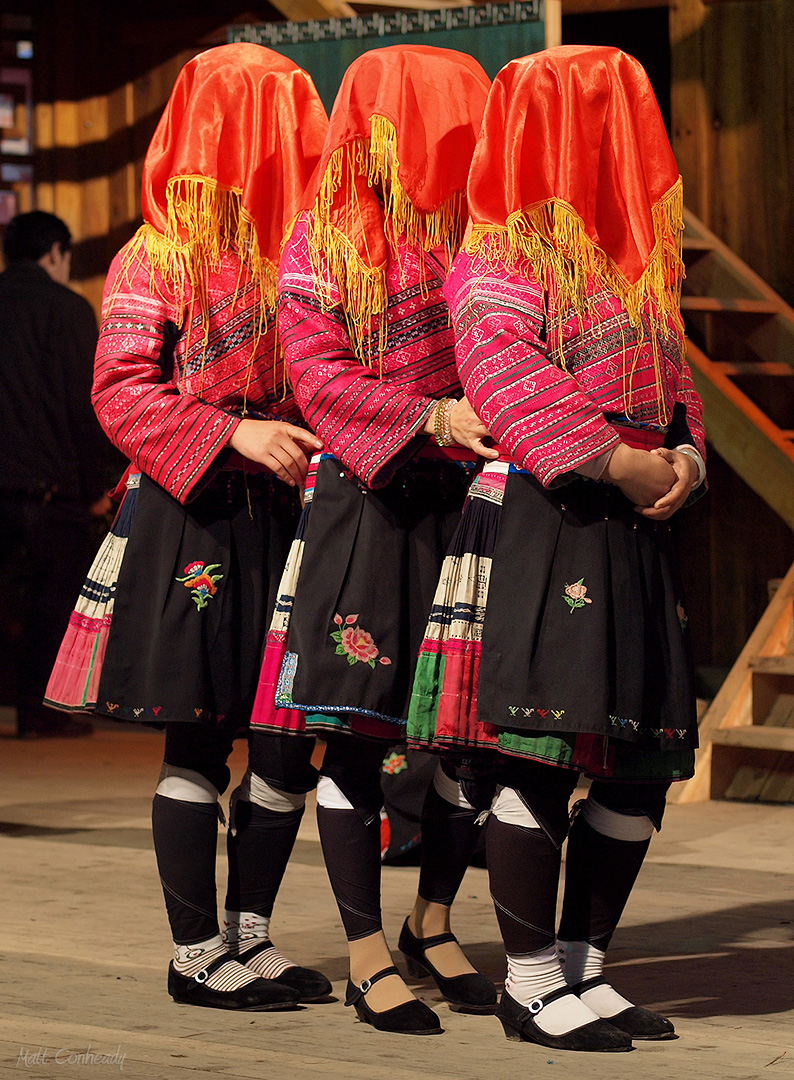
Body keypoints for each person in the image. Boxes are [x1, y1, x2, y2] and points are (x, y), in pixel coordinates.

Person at [406, 46, 707, 1053]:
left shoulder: (636, 254)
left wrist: (687, 462)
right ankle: (529, 981)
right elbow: (500, 372)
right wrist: (615, 462)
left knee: (637, 765)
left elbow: (679, 386)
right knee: (534, 751)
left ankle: (583, 964)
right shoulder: (497, 249)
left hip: (630, 520)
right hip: (549, 508)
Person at [249, 45, 499, 1035]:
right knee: (355, 730)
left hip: (475, 502)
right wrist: (434, 419)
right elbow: (315, 379)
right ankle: (362, 948)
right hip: (373, 496)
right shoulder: (324, 239)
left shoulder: (488, 233)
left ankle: (432, 922)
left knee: (470, 736)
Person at [83, 44, 332, 1011]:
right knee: (196, 740)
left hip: (294, 517)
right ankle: (196, 954)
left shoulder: (311, 248)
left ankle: (252, 939)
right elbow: (118, 395)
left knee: (283, 742)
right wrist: (235, 431)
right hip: (197, 518)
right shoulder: (156, 254)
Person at [0, 210, 113, 739]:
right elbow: (83, 404)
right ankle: (39, 711)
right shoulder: (65, 309)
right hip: (48, 489)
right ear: (54, 252)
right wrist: (97, 488)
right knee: (53, 602)